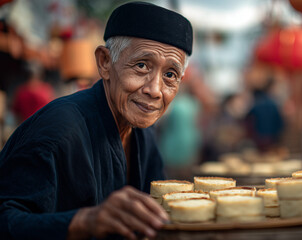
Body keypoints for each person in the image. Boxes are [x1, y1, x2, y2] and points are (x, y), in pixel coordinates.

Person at [0, 2, 193, 240]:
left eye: (170, 75)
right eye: (141, 66)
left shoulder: (143, 135)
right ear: (104, 63)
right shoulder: (58, 132)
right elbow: (5, 220)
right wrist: (85, 221)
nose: (155, 90)